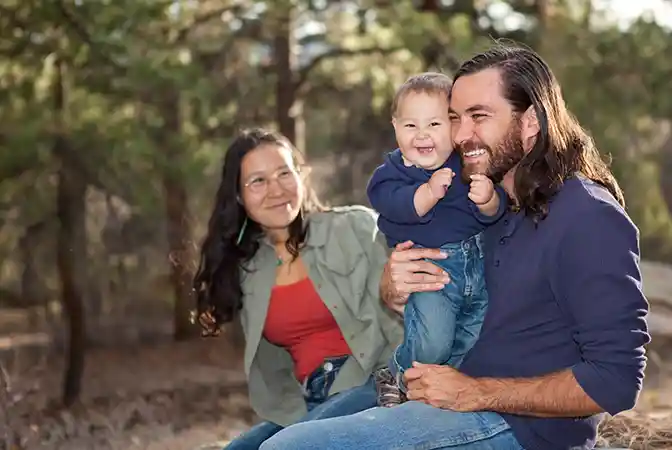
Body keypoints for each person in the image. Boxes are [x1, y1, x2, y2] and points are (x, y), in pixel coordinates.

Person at [257, 43, 651, 450]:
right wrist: (394, 287)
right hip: (433, 391)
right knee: (259, 443)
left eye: (479, 117)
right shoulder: (477, 202)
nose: (461, 136)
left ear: (531, 121)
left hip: (515, 427)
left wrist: (478, 392)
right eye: (454, 119)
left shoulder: (587, 217)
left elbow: (617, 380)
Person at [191, 128, 404, 450]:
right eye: (258, 181)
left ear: (301, 176)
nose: (276, 190)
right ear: (238, 196)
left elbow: (410, 306)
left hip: (374, 383)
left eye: (283, 173)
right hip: (308, 402)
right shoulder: (248, 270)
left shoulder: (355, 228)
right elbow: (273, 367)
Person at [366, 72, 507, 407]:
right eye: (410, 126)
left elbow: (493, 215)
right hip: (433, 273)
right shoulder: (392, 173)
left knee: (473, 340)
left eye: (434, 124)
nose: (422, 135)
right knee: (434, 343)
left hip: (478, 271)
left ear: (454, 128)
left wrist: (488, 199)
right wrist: (427, 193)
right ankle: (397, 372)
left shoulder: (466, 165)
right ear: (395, 126)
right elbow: (395, 205)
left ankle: (431, 393)